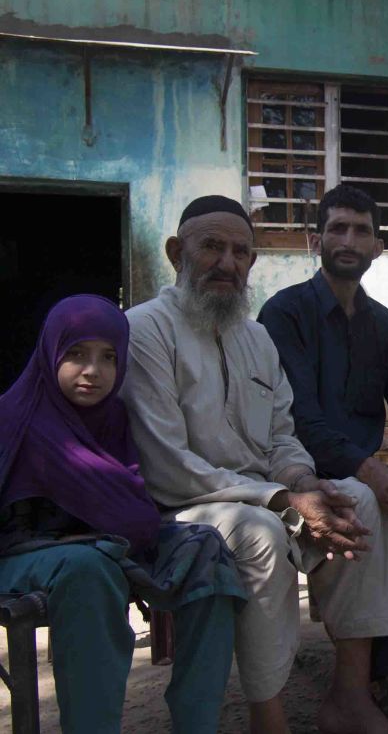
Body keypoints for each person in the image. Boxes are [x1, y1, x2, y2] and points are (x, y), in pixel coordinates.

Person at [120, 195, 388, 734]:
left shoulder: (256, 338)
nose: (227, 262)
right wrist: (281, 499)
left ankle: (348, 696)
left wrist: (303, 480)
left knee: (356, 501)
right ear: (177, 252)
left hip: (267, 496)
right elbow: (164, 464)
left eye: (240, 252)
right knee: (260, 532)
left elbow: (282, 435)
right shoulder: (145, 330)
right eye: (212, 247)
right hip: (182, 508)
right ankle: (267, 716)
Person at [0, 295, 245, 733]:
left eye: (108, 357)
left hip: (107, 544)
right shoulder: (15, 416)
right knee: (90, 568)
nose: (93, 370)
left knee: (207, 547)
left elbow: (132, 510)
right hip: (21, 556)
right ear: (50, 351)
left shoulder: (113, 418)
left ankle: (197, 721)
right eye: (75, 353)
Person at [259, 184, 388, 733]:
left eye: (360, 229)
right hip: (296, 468)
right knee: (367, 500)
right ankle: (361, 688)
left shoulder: (384, 325)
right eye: (336, 228)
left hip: (362, 469)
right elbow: (297, 420)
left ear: (378, 246)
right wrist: (372, 469)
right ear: (317, 239)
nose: (347, 239)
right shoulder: (284, 313)